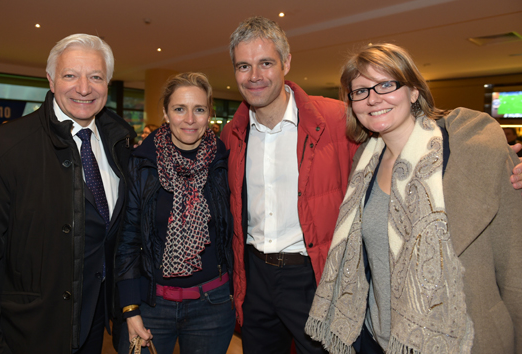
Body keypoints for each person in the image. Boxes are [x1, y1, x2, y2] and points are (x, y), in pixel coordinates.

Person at [305, 43, 522, 354]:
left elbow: (515, 267)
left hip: (460, 340)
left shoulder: (468, 153)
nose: (373, 98)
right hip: (377, 339)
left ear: (413, 92)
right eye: (361, 90)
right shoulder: (364, 164)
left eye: (386, 84)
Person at [0, 33, 136, 354]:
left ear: (107, 82)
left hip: (94, 322)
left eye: (95, 76)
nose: (84, 87)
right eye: (70, 75)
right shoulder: (1, 148)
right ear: (51, 80)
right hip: (30, 329)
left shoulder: (118, 141)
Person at [220, 17, 358, 354]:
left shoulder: (336, 120)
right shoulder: (232, 134)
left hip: (312, 277)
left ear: (286, 63)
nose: (254, 76)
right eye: (243, 66)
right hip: (254, 279)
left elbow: (396, 146)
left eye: (265, 63)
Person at [116, 72, 235, 354]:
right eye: (180, 109)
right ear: (166, 113)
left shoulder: (224, 163)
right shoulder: (142, 164)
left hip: (212, 306)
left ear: (209, 114)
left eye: (199, 109)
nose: (190, 119)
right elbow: (128, 238)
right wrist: (130, 307)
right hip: (150, 303)